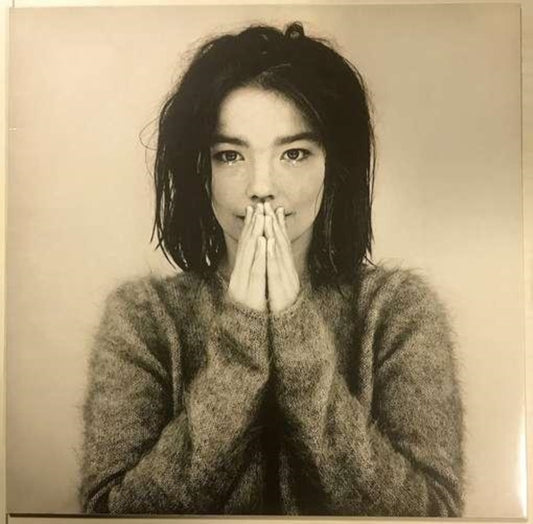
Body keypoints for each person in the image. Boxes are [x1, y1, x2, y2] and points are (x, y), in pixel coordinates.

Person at [80, 22, 464, 516]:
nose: (261, 186)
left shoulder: (398, 312)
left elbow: (434, 515)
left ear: (333, 167)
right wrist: (240, 349)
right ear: (200, 171)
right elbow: (109, 514)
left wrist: (296, 335)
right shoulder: (143, 318)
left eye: (294, 154)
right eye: (230, 155)